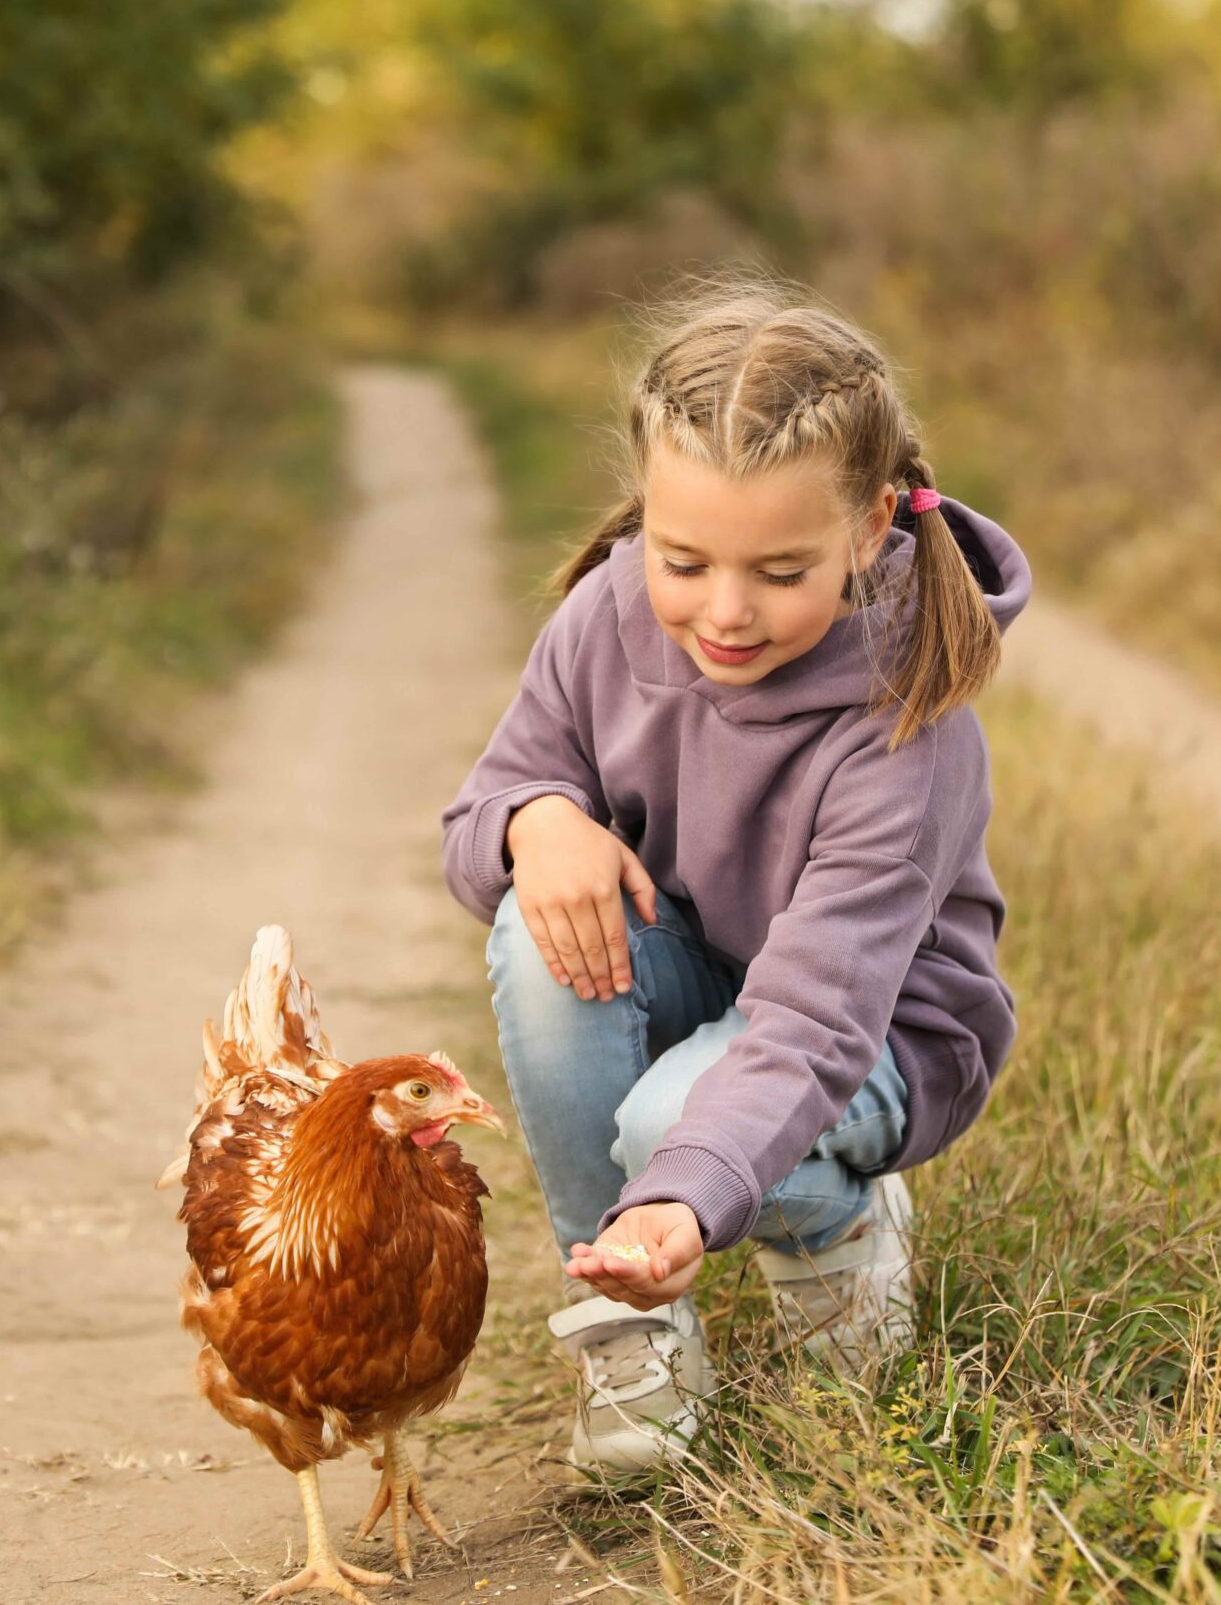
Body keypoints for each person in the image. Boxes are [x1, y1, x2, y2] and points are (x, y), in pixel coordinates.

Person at [438, 276, 1031, 1471]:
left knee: (672, 1122)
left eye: (777, 570)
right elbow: (473, 821)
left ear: (870, 528)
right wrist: (532, 819)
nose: (723, 612)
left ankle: (837, 1225)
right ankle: (626, 1337)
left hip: (874, 1036)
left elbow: (813, 1019)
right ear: (644, 517)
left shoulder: (905, 727)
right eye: (683, 560)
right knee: (534, 928)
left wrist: (678, 1196)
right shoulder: (606, 618)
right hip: (699, 985)